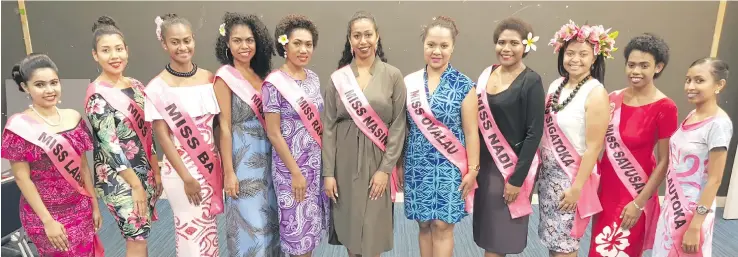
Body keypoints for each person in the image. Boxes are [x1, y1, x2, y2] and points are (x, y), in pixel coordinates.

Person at [322, 10, 406, 257]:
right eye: (356, 36)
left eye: (368, 34)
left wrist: (385, 169)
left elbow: (398, 125)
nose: (363, 41)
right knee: (350, 230)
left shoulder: (393, 75)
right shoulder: (338, 79)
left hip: (377, 163)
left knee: (371, 234)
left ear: (377, 37)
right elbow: (328, 128)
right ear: (350, 40)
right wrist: (329, 173)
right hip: (344, 164)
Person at [2, 54, 103, 257]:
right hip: (45, 215)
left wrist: (94, 204)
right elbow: (23, 179)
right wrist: (48, 221)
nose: (49, 90)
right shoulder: (19, 126)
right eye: (40, 85)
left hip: (79, 206)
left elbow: (83, 167)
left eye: (54, 83)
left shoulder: (73, 117)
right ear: (25, 87)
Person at [589, 33, 677, 257]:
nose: (635, 71)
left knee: (622, 249)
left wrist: (639, 203)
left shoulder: (665, 107)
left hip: (635, 190)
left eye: (644, 66)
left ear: (658, 67)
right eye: (631, 65)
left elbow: (665, 161)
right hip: (605, 189)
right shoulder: (612, 99)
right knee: (599, 248)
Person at [144, 13, 222, 257]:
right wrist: (187, 177)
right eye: (175, 42)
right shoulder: (157, 87)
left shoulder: (210, 78)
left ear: (193, 40)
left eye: (186, 40)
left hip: (209, 165)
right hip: (180, 173)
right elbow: (163, 137)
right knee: (189, 232)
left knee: (208, 231)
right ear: (164, 44)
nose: (182, 47)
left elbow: (217, 126)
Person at [403, 16, 480, 257]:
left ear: (452, 47)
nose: (437, 51)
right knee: (424, 224)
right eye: (431, 45)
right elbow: (403, 127)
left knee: (443, 225)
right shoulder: (410, 83)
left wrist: (473, 169)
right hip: (417, 163)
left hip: (450, 166)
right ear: (423, 45)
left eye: (444, 46)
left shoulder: (464, 85)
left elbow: (471, 131)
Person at [84, 16, 161, 257]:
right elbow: (110, 147)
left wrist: (155, 170)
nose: (114, 55)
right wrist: (136, 185)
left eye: (119, 49)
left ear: (127, 50)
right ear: (95, 55)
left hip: (143, 171)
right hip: (120, 178)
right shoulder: (98, 95)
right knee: (135, 238)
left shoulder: (137, 86)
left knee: (141, 235)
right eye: (106, 50)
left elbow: (147, 133)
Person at [538, 20, 615, 257]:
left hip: (572, 179)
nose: (575, 59)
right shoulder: (555, 85)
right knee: (554, 242)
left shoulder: (596, 92)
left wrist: (576, 188)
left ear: (595, 58)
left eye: (583, 54)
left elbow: (594, 147)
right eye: (570, 53)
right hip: (549, 177)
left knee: (566, 245)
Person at [212, 12, 283, 257]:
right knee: (249, 227)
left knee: (269, 224)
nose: (244, 46)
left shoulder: (261, 76)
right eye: (237, 40)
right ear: (227, 44)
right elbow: (225, 128)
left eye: (249, 40)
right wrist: (229, 172)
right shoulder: (224, 78)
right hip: (243, 163)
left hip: (269, 159)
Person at [473, 17, 544, 257]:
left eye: (514, 42)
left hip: (510, 168)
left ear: (526, 46)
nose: (506, 48)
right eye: (501, 42)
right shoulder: (486, 75)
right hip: (485, 167)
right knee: (488, 235)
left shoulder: (531, 81)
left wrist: (517, 179)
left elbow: (534, 133)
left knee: (499, 239)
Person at [652, 58, 733, 257]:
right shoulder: (692, 115)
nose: (690, 86)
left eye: (699, 80)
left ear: (719, 85)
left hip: (692, 212)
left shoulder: (718, 125)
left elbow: (715, 180)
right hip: (673, 205)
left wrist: (696, 226)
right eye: (688, 80)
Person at [262, 14, 327, 257]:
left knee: (308, 236)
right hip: (290, 170)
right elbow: (273, 132)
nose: (303, 49)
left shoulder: (313, 78)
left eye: (308, 44)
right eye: (297, 43)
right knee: (296, 234)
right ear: (284, 45)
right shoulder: (273, 83)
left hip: (313, 166)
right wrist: (296, 173)